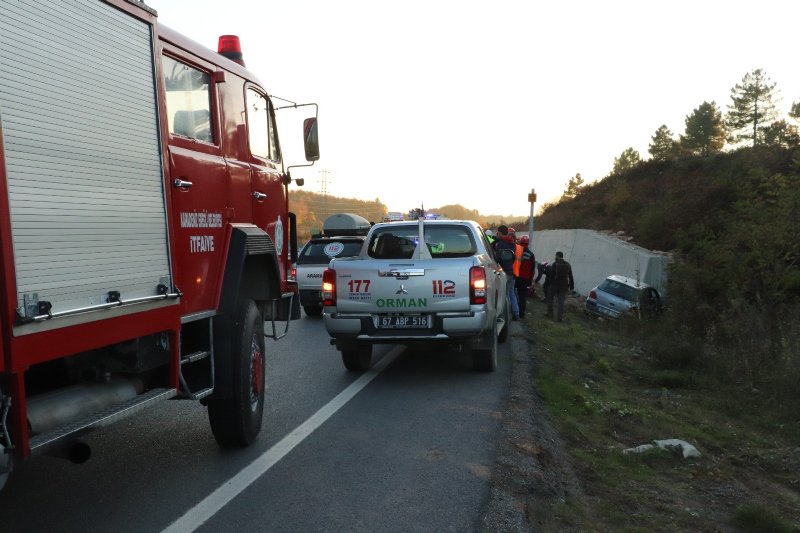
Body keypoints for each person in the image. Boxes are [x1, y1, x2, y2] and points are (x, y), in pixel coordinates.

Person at [494, 225, 520, 320]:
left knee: (504, 295)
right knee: (511, 293)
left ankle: (505, 314)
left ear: (500, 233)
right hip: (511, 271)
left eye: (498, 233)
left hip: (503, 273)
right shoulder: (512, 243)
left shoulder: (500, 244)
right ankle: (516, 313)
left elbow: (497, 258)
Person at [545, 251, 574, 322]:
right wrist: (571, 286)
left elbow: (551, 274)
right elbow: (570, 276)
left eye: (556, 256)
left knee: (550, 298)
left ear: (557, 256)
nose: (555, 257)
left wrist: (548, 283)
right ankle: (559, 318)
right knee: (561, 302)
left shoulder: (555, 264)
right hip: (564, 286)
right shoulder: (568, 265)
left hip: (554, 284)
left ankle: (550, 314)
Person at [515, 235, 535, 317]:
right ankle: (521, 314)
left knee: (513, 295)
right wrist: (530, 280)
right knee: (522, 296)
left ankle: (514, 312)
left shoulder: (516, 251)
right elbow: (532, 270)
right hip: (525, 279)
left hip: (516, 277)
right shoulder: (531, 255)